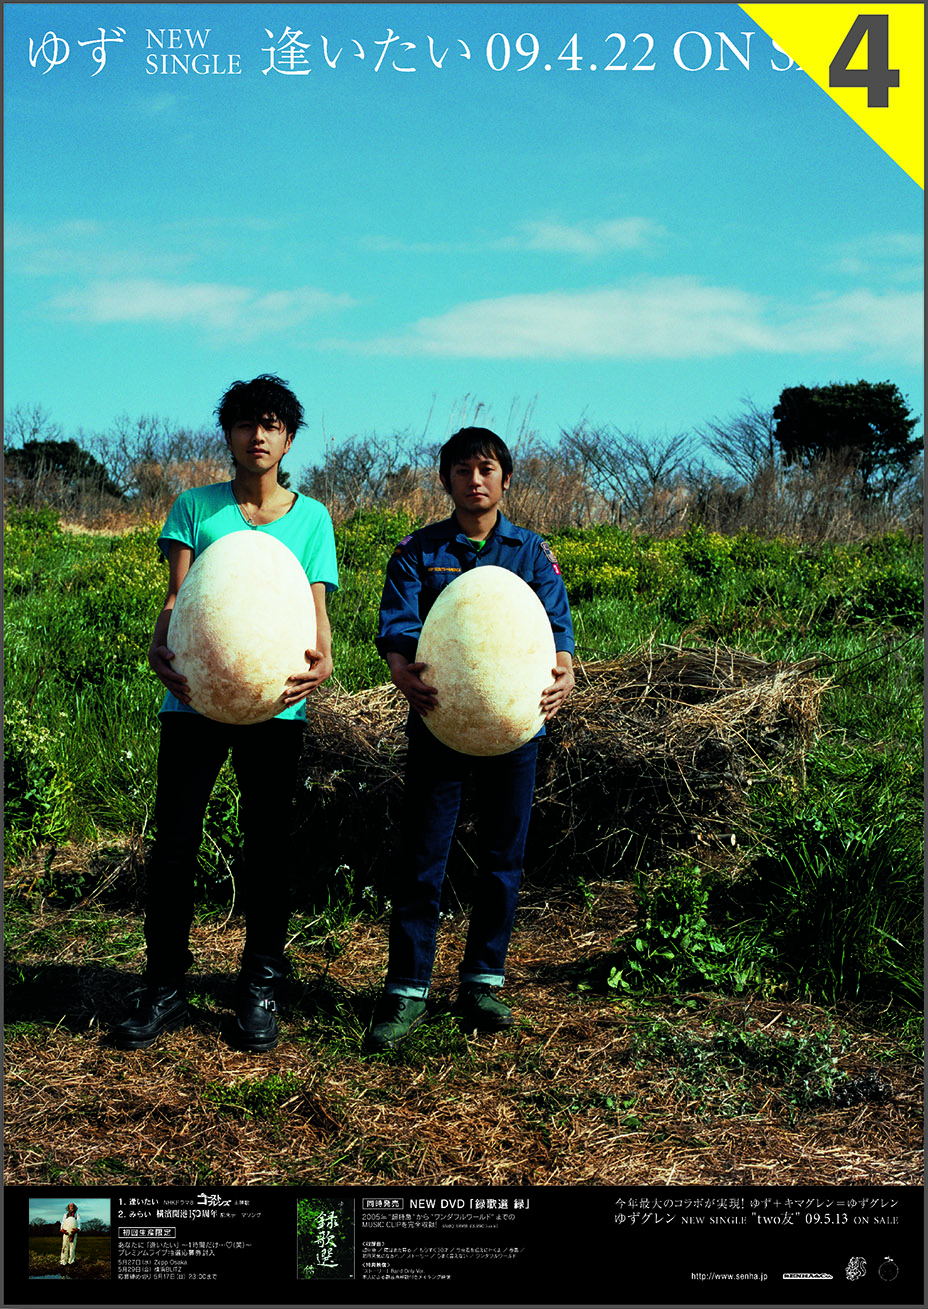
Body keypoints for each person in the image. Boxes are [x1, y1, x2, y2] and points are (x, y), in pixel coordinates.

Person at [111, 375, 337, 1054]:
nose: (258, 435)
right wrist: (162, 638)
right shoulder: (195, 507)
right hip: (192, 698)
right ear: (229, 434)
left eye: (271, 424)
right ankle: (163, 983)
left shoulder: (312, 518)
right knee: (175, 847)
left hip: (276, 706)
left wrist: (322, 662)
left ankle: (259, 985)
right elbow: (180, 599)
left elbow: (317, 619)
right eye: (245, 423)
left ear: (289, 437)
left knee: (267, 849)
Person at [367, 427, 574, 1052]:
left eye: (486, 468)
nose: (474, 479)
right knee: (424, 856)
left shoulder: (532, 554)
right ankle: (406, 987)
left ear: (505, 479)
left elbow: (557, 633)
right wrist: (402, 673)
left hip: (516, 727)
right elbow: (398, 634)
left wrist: (564, 676)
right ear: (446, 481)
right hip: (440, 723)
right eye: (461, 470)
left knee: (503, 856)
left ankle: (482, 981)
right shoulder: (417, 552)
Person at [59, 1204, 79, 1272]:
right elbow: (63, 1222)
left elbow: (79, 1223)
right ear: (68, 1207)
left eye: (73, 1206)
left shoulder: (77, 1215)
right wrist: (62, 1229)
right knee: (64, 1247)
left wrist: (77, 1229)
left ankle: (71, 1262)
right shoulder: (65, 1215)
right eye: (70, 1206)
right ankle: (63, 1262)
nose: (72, 1207)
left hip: (74, 1233)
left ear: (75, 1207)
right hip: (66, 1232)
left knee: (72, 1247)